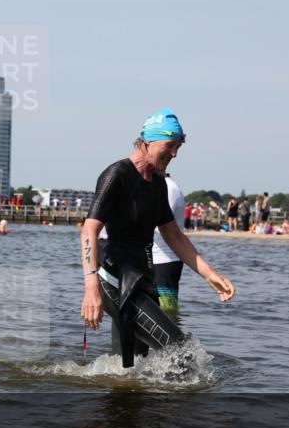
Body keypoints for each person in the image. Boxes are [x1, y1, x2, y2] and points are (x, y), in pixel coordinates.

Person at [80, 109, 235, 368]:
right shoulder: (117, 175)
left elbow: (174, 236)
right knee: (182, 354)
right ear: (148, 142)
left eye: (178, 147)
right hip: (114, 281)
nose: (174, 154)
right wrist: (91, 289)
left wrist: (211, 276)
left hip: (142, 279)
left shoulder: (158, 183)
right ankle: (184, 409)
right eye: (170, 146)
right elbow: (89, 231)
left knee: (129, 369)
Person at [152, 173, 186, 312]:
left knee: (167, 312)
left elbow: (164, 227)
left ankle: (175, 333)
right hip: (154, 258)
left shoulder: (168, 187)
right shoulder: (156, 186)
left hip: (165, 260)